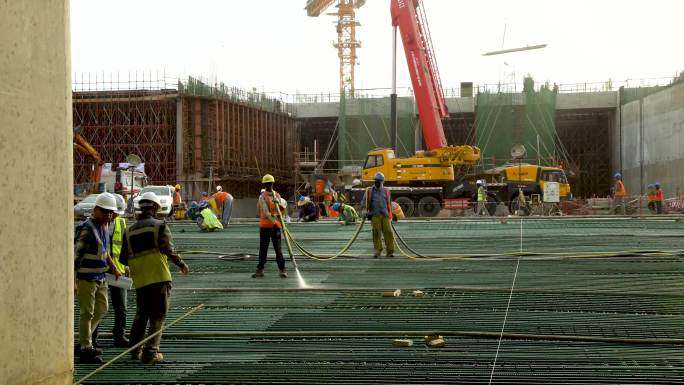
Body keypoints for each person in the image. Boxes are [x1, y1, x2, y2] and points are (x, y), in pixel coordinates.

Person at [119, 191, 189, 364]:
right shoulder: (160, 226)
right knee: (158, 316)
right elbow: (168, 249)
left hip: (140, 280)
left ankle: (135, 351)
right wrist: (181, 263)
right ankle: (150, 353)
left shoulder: (128, 231)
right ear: (155, 207)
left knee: (141, 315)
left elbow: (123, 259)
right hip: (159, 276)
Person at [74, 192, 122, 363]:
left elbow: (104, 251)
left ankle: (82, 341)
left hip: (100, 276)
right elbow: (76, 257)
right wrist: (73, 281)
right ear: (95, 210)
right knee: (87, 312)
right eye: (105, 211)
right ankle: (86, 348)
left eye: (111, 212)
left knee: (102, 309)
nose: (108, 215)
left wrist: (114, 268)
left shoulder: (103, 227)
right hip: (86, 278)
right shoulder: (87, 230)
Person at [92, 194, 129, 349]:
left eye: (116, 214)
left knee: (121, 307)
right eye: (112, 213)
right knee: (98, 308)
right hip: (101, 271)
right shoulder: (97, 224)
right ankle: (92, 339)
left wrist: (127, 267)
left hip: (117, 273)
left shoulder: (121, 223)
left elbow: (125, 248)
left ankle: (119, 335)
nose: (113, 216)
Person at [253, 174, 288, 278]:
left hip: (275, 227)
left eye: (270, 184)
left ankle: (282, 270)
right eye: (267, 184)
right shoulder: (262, 197)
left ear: (272, 184)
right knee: (263, 249)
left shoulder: (277, 195)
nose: (269, 185)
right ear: (265, 185)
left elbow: (282, 209)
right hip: (266, 227)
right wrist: (276, 218)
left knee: (278, 250)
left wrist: (281, 206)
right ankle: (260, 270)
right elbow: (266, 213)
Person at [361, 172, 394, 258]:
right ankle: (377, 251)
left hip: (385, 215)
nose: (376, 183)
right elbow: (363, 203)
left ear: (382, 182)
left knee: (388, 232)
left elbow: (389, 203)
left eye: (378, 181)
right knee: (376, 233)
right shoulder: (369, 191)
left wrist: (392, 214)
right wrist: (364, 211)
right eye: (375, 181)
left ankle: (390, 251)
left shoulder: (386, 191)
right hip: (374, 215)